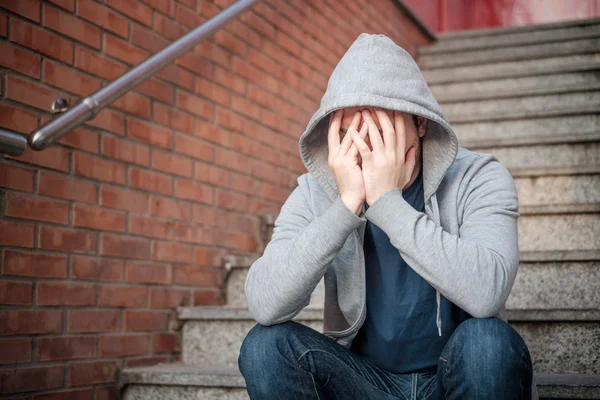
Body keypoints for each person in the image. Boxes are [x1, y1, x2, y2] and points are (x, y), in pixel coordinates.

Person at [238, 33, 536, 399]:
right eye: (348, 135)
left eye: (380, 133)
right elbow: (266, 304)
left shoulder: (478, 177)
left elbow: (486, 294)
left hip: (455, 376)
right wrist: (346, 207)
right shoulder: (316, 192)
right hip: (364, 383)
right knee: (265, 347)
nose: (362, 152)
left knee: (488, 343)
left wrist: (386, 202)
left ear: (421, 124)